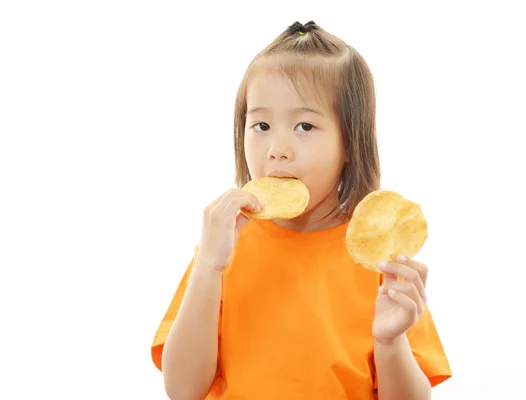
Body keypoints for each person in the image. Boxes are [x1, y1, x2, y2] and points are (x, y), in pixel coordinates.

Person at [150, 20, 452, 400]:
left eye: (305, 126)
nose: (277, 148)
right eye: (260, 124)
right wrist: (208, 266)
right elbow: (182, 390)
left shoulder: (382, 263)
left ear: (350, 144)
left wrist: (390, 343)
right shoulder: (220, 251)